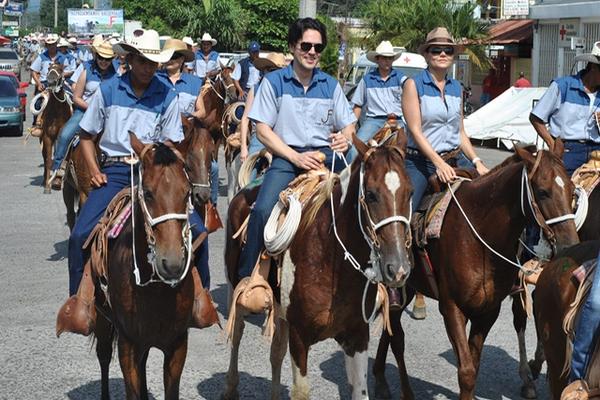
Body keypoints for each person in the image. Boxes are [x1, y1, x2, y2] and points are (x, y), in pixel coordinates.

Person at [57, 29, 210, 329]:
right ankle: (79, 301)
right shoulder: (109, 90)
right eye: (142, 61)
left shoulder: (167, 94)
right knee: (79, 234)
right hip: (115, 171)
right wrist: (95, 170)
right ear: (129, 58)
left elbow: (172, 142)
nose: (148, 68)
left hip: (153, 171)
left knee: (199, 230)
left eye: (153, 63)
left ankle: (200, 298)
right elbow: (86, 135)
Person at [237, 17, 356, 280]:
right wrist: (295, 157)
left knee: (369, 200)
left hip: (328, 157)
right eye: (306, 46)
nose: (312, 52)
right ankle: (247, 279)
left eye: (318, 47)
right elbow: (263, 130)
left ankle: (376, 277)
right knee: (263, 210)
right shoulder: (274, 82)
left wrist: (345, 138)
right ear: (292, 46)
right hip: (288, 158)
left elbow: (348, 126)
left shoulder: (331, 85)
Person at [529, 41, 600, 397]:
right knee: (553, 197)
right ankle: (535, 250)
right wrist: (552, 144)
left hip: (595, 152)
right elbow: (536, 117)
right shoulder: (563, 86)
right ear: (593, 66)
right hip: (566, 151)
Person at [403, 27, 489, 211]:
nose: (443, 54)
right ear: (426, 55)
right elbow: (415, 131)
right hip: (421, 162)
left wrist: (477, 161)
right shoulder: (413, 84)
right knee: (404, 212)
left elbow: (460, 131)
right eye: (436, 50)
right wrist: (439, 163)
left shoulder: (457, 87)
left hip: (456, 158)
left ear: (452, 56)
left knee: (491, 196)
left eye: (448, 50)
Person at [156, 39, 211, 288]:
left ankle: (203, 287)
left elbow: (202, 111)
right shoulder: (155, 81)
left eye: (175, 58)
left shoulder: (193, 82)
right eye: (168, 57)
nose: (171, 61)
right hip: (160, 146)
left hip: (187, 142)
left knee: (213, 168)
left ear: (181, 61)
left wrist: (187, 116)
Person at [48, 39, 118, 190]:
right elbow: (76, 98)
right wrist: (92, 108)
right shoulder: (87, 70)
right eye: (101, 58)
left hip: (110, 113)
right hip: (85, 111)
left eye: (108, 59)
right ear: (96, 56)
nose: (104, 62)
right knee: (66, 134)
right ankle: (58, 168)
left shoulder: (118, 73)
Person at [347, 40, 406, 162]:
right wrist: (352, 126)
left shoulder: (402, 79)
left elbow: (412, 103)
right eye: (384, 58)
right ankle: (348, 178)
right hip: (374, 121)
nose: (387, 61)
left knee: (413, 150)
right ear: (377, 59)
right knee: (354, 150)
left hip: (398, 120)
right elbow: (357, 104)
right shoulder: (367, 80)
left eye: (390, 58)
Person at [239, 52, 287, 164]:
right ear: (264, 71)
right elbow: (245, 119)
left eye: (277, 70)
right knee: (249, 173)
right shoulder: (255, 89)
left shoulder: (286, 92)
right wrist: (243, 147)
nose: (274, 74)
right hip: (260, 137)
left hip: (282, 137)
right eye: (270, 70)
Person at [30, 33, 70, 128]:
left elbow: (68, 71)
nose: (52, 46)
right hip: (45, 84)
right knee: (38, 102)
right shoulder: (41, 57)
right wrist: (38, 83)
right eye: (49, 44)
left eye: (53, 44)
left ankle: (71, 121)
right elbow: (34, 71)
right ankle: (37, 123)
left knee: (71, 100)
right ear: (47, 45)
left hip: (60, 83)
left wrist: (61, 76)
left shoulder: (63, 57)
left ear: (56, 44)